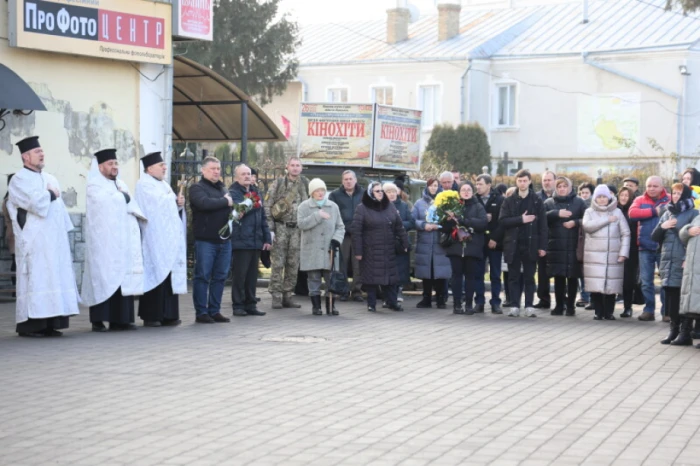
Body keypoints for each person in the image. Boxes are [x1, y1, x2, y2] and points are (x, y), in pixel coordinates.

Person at [7, 136, 80, 337]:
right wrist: (49, 195)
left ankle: (51, 323)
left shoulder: (50, 178)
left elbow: (60, 210)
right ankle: (32, 326)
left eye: (42, 151)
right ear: (25, 157)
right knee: (37, 279)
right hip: (34, 240)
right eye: (37, 152)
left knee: (53, 278)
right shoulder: (18, 179)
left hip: (54, 241)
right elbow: (34, 204)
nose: (42, 154)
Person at [81, 149, 145, 332]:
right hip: (104, 243)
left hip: (122, 242)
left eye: (116, 163)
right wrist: (121, 198)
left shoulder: (121, 184)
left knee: (121, 278)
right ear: (100, 167)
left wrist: (123, 199)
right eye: (110, 164)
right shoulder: (94, 185)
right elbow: (103, 204)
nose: (114, 167)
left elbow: (131, 204)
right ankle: (99, 321)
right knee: (103, 278)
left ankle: (121, 320)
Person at [135, 152, 187, 327]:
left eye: (164, 165)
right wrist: (172, 200)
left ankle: (169, 314)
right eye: (161, 165)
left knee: (168, 275)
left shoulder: (164, 185)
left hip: (168, 238)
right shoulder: (143, 185)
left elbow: (171, 207)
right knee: (155, 273)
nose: (165, 168)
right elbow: (153, 207)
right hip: (154, 238)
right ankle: (152, 315)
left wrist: (179, 204)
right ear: (150, 168)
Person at [189, 156, 234, 324]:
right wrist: (225, 202)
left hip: (224, 240)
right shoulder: (196, 188)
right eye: (212, 169)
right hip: (206, 240)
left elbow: (228, 206)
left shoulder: (223, 188)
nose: (216, 172)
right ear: (203, 170)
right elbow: (204, 204)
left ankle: (214, 310)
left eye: (218, 169)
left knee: (220, 277)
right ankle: (201, 312)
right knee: (202, 276)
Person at [352, 181, 408, 313]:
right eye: (377, 191)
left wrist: (405, 243)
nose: (380, 193)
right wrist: (358, 251)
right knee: (371, 278)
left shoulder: (390, 206)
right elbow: (356, 232)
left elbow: (399, 227)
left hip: (388, 248)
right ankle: (371, 304)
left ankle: (392, 302)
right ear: (371, 193)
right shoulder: (362, 208)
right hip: (370, 250)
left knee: (390, 278)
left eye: (382, 191)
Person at [652, 184, 698, 344]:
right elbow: (654, 237)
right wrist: (663, 227)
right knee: (671, 298)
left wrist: (687, 258)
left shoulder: (693, 213)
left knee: (682, 298)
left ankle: (685, 332)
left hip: (683, 261)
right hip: (667, 261)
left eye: (679, 193)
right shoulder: (667, 212)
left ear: (685, 195)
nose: (676, 196)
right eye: (674, 193)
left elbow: (694, 239)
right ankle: (673, 330)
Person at [499, 170, 548, 317]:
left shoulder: (537, 200)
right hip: (513, 245)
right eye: (519, 181)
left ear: (529, 181)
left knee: (529, 277)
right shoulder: (508, 201)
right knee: (513, 276)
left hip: (531, 244)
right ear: (516, 182)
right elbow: (502, 221)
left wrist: (542, 246)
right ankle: (514, 305)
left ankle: (529, 306)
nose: (522, 183)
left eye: (525, 181)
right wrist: (521, 219)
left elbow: (543, 226)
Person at [265, 157, 308, 309]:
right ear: (287, 167)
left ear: (301, 168)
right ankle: (276, 296)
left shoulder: (305, 184)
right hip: (281, 228)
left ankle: (288, 295)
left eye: (298, 166)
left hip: (297, 229)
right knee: (278, 263)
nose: (295, 168)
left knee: (293, 263)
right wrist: (270, 229)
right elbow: (268, 205)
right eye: (293, 165)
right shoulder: (278, 184)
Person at [297, 178, 345, 315]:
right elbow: (301, 224)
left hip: (330, 249)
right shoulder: (304, 206)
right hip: (311, 249)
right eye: (317, 191)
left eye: (322, 190)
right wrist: (317, 215)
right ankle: (316, 307)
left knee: (331, 278)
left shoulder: (333, 206)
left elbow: (340, 226)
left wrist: (336, 240)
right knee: (314, 278)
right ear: (311, 192)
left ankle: (331, 306)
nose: (320, 193)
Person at [229, 164, 271, 316]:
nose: (247, 176)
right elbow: (239, 209)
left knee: (252, 275)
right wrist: (253, 202)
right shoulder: (233, 192)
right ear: (237, 177)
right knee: (240, 275)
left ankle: (251, 304)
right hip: (241, 239)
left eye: (249, 174)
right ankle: (238, 305)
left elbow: (263, 218)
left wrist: (267, 238)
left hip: (255, 240)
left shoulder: (255, 191)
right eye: (243, 174)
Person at [582, 185, 630, 320]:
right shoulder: (589, 212)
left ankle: (609, 312)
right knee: (596, 285)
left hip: (613, 255)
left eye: (604, 197)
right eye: (599, 197)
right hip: (594, 256)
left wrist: (623, 253)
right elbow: (587, 226)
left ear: (609, 198)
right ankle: (598, 312)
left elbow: (626, 233)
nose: (602, 199)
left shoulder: (618, 212)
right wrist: (607, 220)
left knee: (611, 286)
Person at [442, 182, 488, 314]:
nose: (466, 192)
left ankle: (468, 304)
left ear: (472, 192)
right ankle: (457, 304)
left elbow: (483, 224)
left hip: (472, 247)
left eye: (469, 189)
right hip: (455, 246)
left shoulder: (478, 206)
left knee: (470, 276)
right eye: (463, 190)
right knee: (456, 276)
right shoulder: (453, 206)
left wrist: (465, 221)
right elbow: (444, 227)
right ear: (459, 192)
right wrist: (450, 220)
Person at [629, 176, 670, 321]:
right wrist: (654, 211)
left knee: (666, 281)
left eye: (655, 186)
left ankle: (667, 312)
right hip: (645, 247)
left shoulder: (670, 199)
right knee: (646, 281)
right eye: (649, 186)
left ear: (662, 187)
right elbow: (632, 214)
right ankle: (649, 310)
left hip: (664, 247)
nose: (651, 189)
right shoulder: (640, 200)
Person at [544, 177, 586, 316]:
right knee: (558, 277)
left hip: (573, 245)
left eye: (564, 186)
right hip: (556, 246)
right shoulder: (549, 203)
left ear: (570, 187)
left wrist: (575, 222)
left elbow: (588, 219)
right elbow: (541, 218)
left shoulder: (579, 202)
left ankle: (570, 306)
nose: (562, 189)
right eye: (559, 186)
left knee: (572, 277)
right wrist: (556, 213)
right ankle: (559, 305)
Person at [412, 178, 451, 309]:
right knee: (426, 272)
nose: (433, 188)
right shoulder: (419, 203)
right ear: (427, 187)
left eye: (436, 185)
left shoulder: (445, 202)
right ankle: (426, 298)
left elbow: (451, 220)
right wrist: (424, 225)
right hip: (425, 241)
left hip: (440, 242)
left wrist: (439, 226)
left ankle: (441, 298)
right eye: (431, 185)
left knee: (440, 271)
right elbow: (413, 220)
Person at [329, 170, 364, 302]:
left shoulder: (364, 193)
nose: (348, 181)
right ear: (342, 181)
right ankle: (343, 290)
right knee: (341, 263)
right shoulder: (335, 195)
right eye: (346, 179)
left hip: (359, 234)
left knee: (358, 264)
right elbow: (332, 214)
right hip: (342, 234)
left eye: (350, 179)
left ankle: (357, 291)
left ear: (355, 180)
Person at [474, 174, 504, 314]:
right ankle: (479, 301)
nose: (477, 187)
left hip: (494, 243)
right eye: (477, 184)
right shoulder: (473, 199)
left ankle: (496, 302)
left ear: (488, 185)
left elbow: (502, 222)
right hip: (478, 242)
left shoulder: (499, 200)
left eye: (480, 184)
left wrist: (495, 238)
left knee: (495, 274)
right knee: (478, 273)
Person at [384, 182, 415, 303]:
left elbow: (411, 222)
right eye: (388, 192)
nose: (391, 194)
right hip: (385, 242)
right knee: (386, 270)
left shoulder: (403, 205)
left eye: (393, 191)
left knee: (400, 269)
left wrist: (399, 223)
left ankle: (398, 291)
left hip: (400, 243)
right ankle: (386, 296)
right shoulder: (381, 206)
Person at [617, 187, 640, 318]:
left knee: (628, 280)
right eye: (622, 195)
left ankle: (627, 307)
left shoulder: (633, 211)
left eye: (627, 195)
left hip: (631, 249)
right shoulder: (614, 210)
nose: (624, 198)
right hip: (615, 248)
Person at [679, 209, 700, 348]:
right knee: (692, 301)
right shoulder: (698, 217)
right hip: (693, 268)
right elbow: (682, 236)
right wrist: (688, 230)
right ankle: (685, 334)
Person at [535, 170, 556, 309]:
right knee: (542, 272)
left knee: (559, 271)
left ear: (555, 181)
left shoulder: (561, 195)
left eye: (549, 180)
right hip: (541, 239)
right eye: (545, 180)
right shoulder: (536, 197)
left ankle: (563, 301)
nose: (547, 182)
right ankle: (543, 299)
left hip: (557, 239)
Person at [576, 182, 596, 308]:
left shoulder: (593, 207)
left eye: (586, 193)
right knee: (581, 271)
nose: (584, 195)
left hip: (592, 242)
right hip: (580, 241)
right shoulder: (578, 205)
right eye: (582, 193)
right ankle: (584, 296)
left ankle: (590, 297)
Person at [2, 174, 16, 297]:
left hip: (13, 233)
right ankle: (14, 291)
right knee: (16, 261)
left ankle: (15, 290)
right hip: (13, 234)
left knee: (16, 261)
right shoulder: (9, 200)